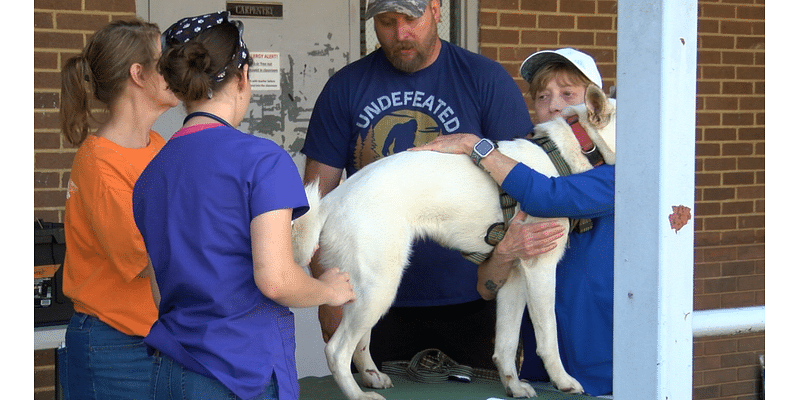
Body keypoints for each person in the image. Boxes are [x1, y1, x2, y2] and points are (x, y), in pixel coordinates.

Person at [301, 0, 565, 371]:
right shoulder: (345, 87)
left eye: (411, 18)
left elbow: (526, 189)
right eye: (387, 22)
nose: (400, 34)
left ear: (437, 10)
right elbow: (316, 200)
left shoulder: (484, 79)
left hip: (473, 299)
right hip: (373, 300)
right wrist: (327, 293)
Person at [131, 12, 355, 400]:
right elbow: (276, 279)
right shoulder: (262, 161)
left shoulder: (150, 173)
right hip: (240, 374)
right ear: (243, 76)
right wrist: (326, 290)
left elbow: (157, 287)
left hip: (170, 371)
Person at [411, 48, 614, 396]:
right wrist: (504, 253)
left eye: (568, 94)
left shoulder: (614, 175)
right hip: (540, 375)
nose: (554, 105)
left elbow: (547, 196)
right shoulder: (526, 170)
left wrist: (477, 148)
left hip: (603, 372)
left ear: (594, 107)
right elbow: (485, 287)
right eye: (542, 96)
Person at [58, 19, 178, 399]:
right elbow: (144, 259)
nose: (178, 68)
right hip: (113, 347)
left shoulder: (157, 144)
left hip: (155, 336)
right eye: (168, 60)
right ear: (138, 74)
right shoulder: (99, 162)